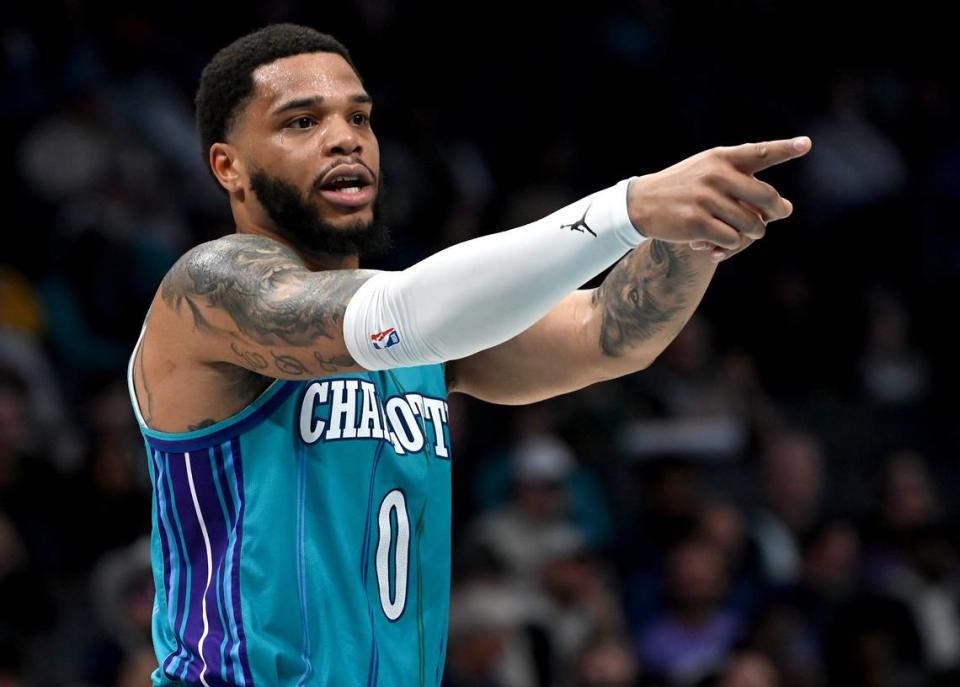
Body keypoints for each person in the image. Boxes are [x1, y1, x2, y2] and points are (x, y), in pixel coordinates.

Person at [126, 22, 811, 686]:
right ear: (229, 165)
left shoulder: (424, 324)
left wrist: (695, 231)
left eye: (359, 118)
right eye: (301, 122)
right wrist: (626, 208)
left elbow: (611, 331)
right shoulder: (211, 293)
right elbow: (394, 316)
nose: (345, 139)